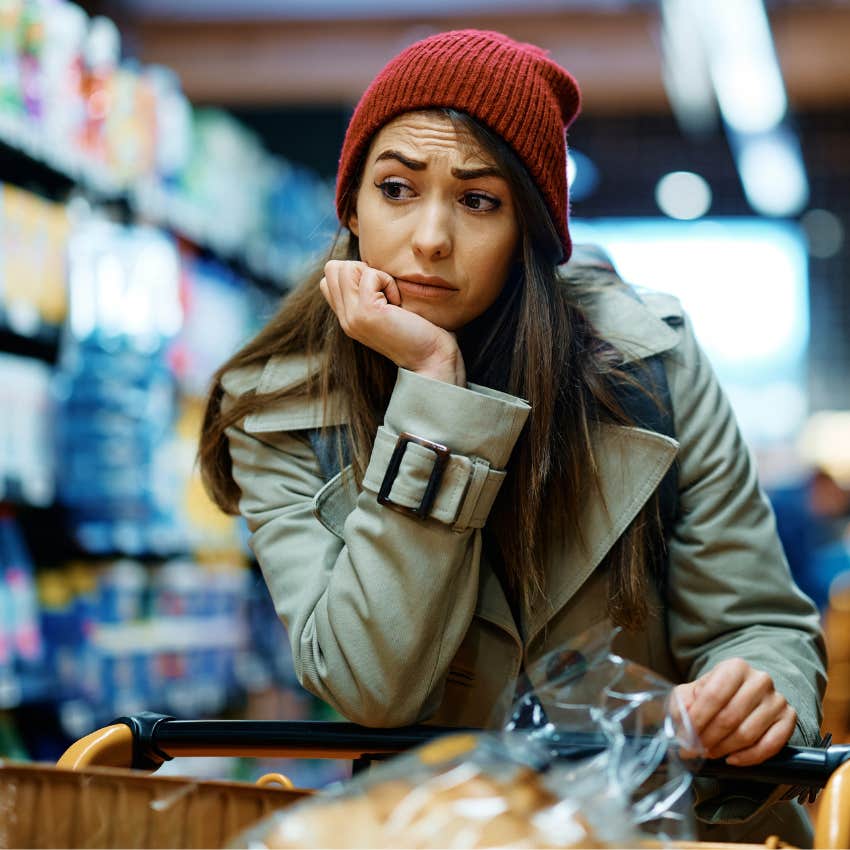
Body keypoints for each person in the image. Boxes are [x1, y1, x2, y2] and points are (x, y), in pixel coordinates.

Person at [199, 30, 826, 844]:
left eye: (478, 200)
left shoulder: (649, 369)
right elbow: (369, 684)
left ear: (529, 230)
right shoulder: (279, 408)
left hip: (663, 824)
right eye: (396, 188)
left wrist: (760, 689)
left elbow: (758, 626)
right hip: (441, 829)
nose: (429, 237)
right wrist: (432, 389)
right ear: (351, 204)